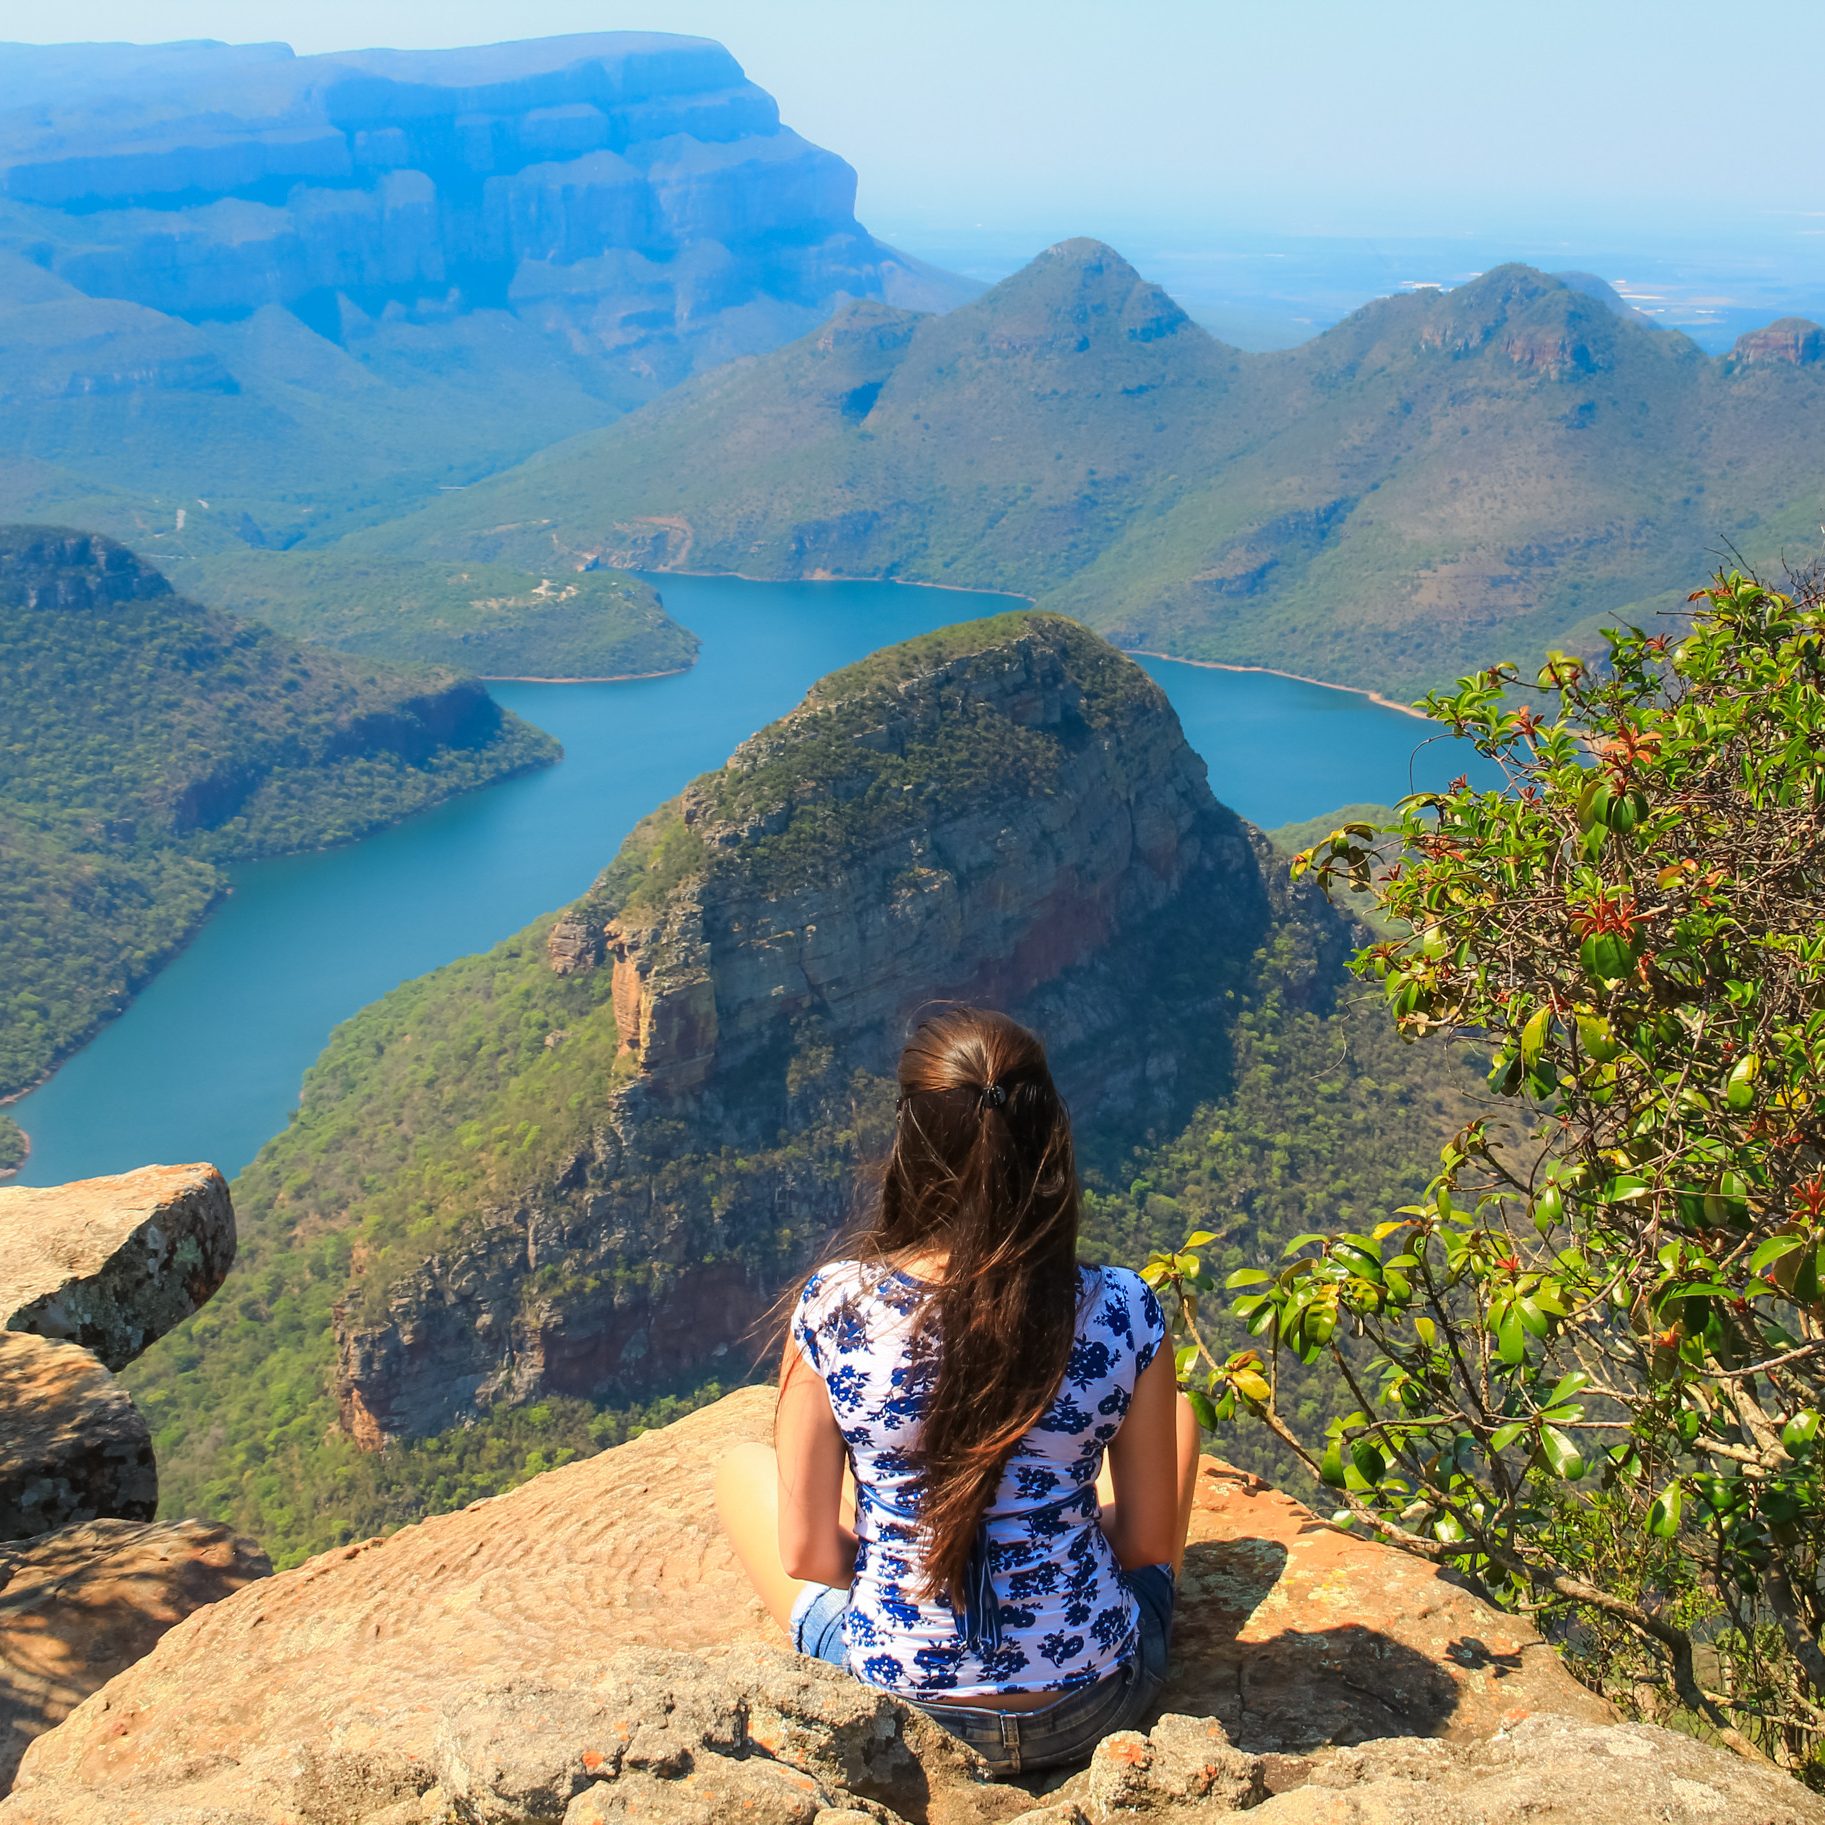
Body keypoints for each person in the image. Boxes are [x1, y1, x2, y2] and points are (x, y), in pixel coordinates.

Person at [714, 1005, 1201, 1778]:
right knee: (1176, 1412)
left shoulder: (835, 1307)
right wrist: (1043, 1549)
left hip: (905, 1714)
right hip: (1091, 1704)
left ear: (910, 1141)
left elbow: (806, 1552)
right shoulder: (1121, 1308)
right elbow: (1144, 1544)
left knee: (739, 1468)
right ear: (1047, 1138)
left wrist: (920, 1565)